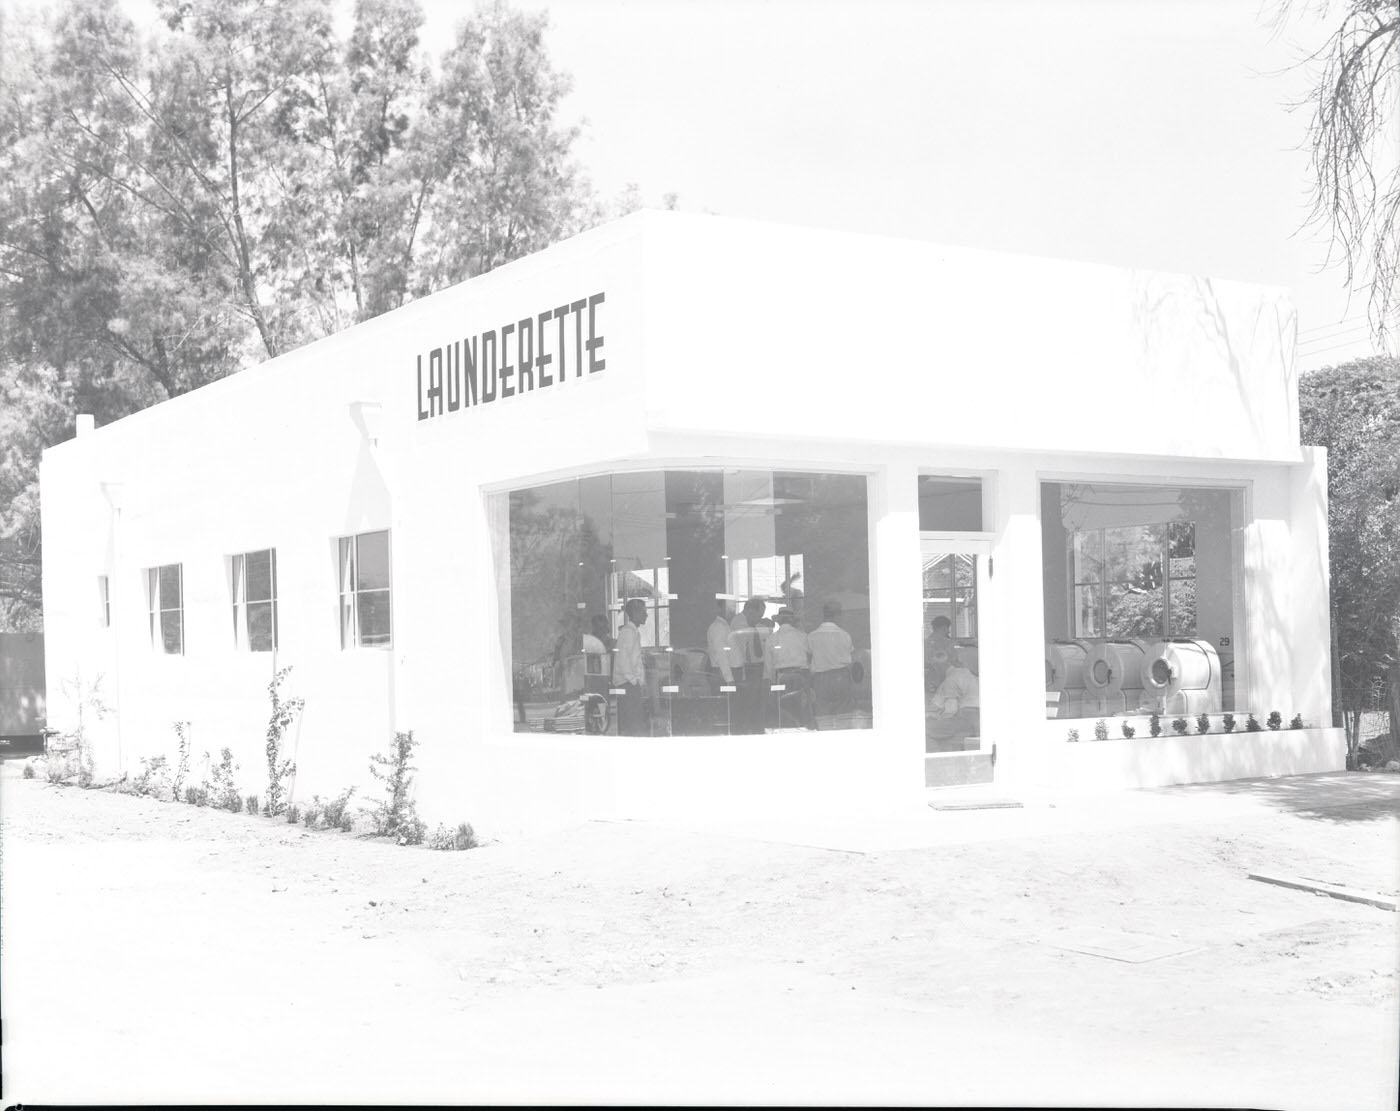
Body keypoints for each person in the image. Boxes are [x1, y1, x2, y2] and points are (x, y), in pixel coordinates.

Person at [766, 606, 815, 729]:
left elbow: (768, 666)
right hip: (801, 676)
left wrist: (770, 683)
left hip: (781, 677)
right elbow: (811, 654)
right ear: (793, 620)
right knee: (803, 710)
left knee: (784, 710)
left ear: (779, 621)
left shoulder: (771, 638)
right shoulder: (803, 635)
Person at [726, 598, 770, 733]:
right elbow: (748, 638)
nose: (759, 619)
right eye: (758, 615)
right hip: (748, 669)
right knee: (749, 704)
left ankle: (756, 730)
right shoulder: (739, 623)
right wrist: (761, 624)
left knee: (758, 704)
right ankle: (749, 731)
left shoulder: (754, 624)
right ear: (750, 610)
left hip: (757, 668)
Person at [926, 647, 980, 751]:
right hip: (978, 720)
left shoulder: (952, 678)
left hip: (967, 720)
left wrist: (936, 718)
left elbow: (950, 710)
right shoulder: (967, 674)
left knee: (925, 729)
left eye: (934, 667)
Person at [808, 602, 855, 720]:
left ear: (823, 615)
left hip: (820, 679)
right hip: (841, 677)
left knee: (823, 716)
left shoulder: (812, 636)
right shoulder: (844, 635)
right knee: (843, 715)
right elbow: (850, 654)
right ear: (836, 616)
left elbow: (809, 655)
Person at [614, 598, 649, 736]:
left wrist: (640, 681)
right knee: (632, 726)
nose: (646, 615)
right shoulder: (628, 632)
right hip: (627, 685)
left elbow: (634, 660)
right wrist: (634, 681)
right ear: (635, 612)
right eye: (644, 611)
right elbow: (623, 661)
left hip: (631, 685)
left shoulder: (633, 632)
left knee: (635, 723)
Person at [706, 600, 735, 692]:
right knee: (725, 705)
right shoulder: (719, 627)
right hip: (721, 674)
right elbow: (721, 654)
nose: (732, 610)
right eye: (729, 607)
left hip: (722, 673)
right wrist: (729, 679)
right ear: (720, 609)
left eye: (733, 607)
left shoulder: (725, 626)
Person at [924, 615, 955, 693]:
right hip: (945, 681)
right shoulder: (947, 643)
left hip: (929, 681)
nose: (949, 631)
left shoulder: (925, 642)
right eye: (948, 628)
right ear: (944, 628)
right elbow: (954, 661)